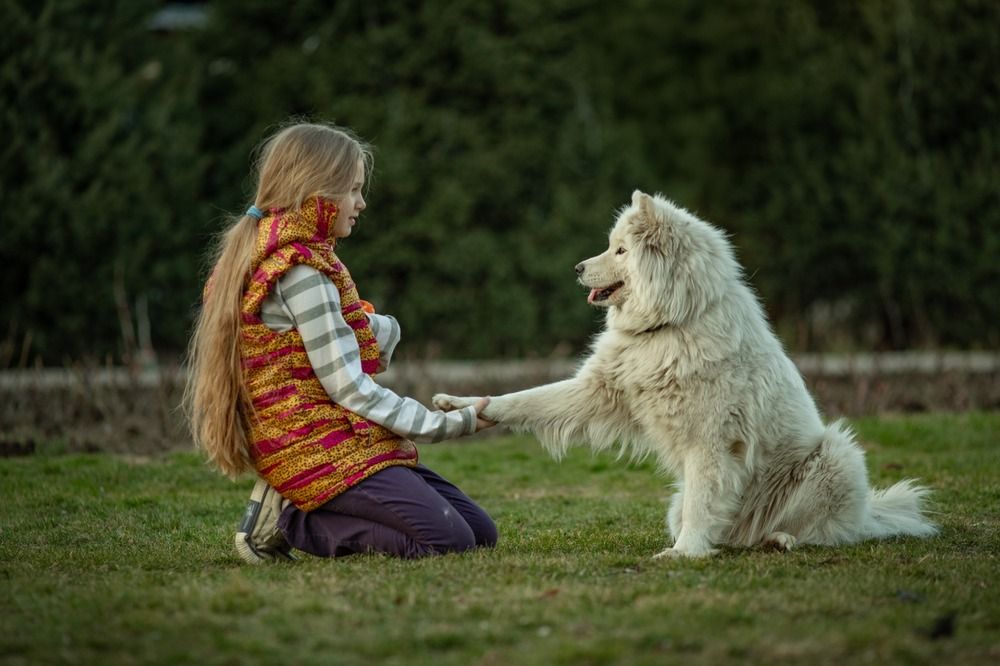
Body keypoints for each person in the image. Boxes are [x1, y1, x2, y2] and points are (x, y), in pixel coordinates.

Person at [184, 122, 497, 563]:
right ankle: (292, 520)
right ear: (317, 191)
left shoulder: (301, 257)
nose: (361, 203)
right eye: (353, 190)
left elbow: (334, 338)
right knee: (449, 542)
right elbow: (349, 387)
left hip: (334, 430)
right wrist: (451, 423)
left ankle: (304, 506)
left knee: (481, 534)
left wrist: (379, 328)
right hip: (308, 442)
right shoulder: (298, 272)